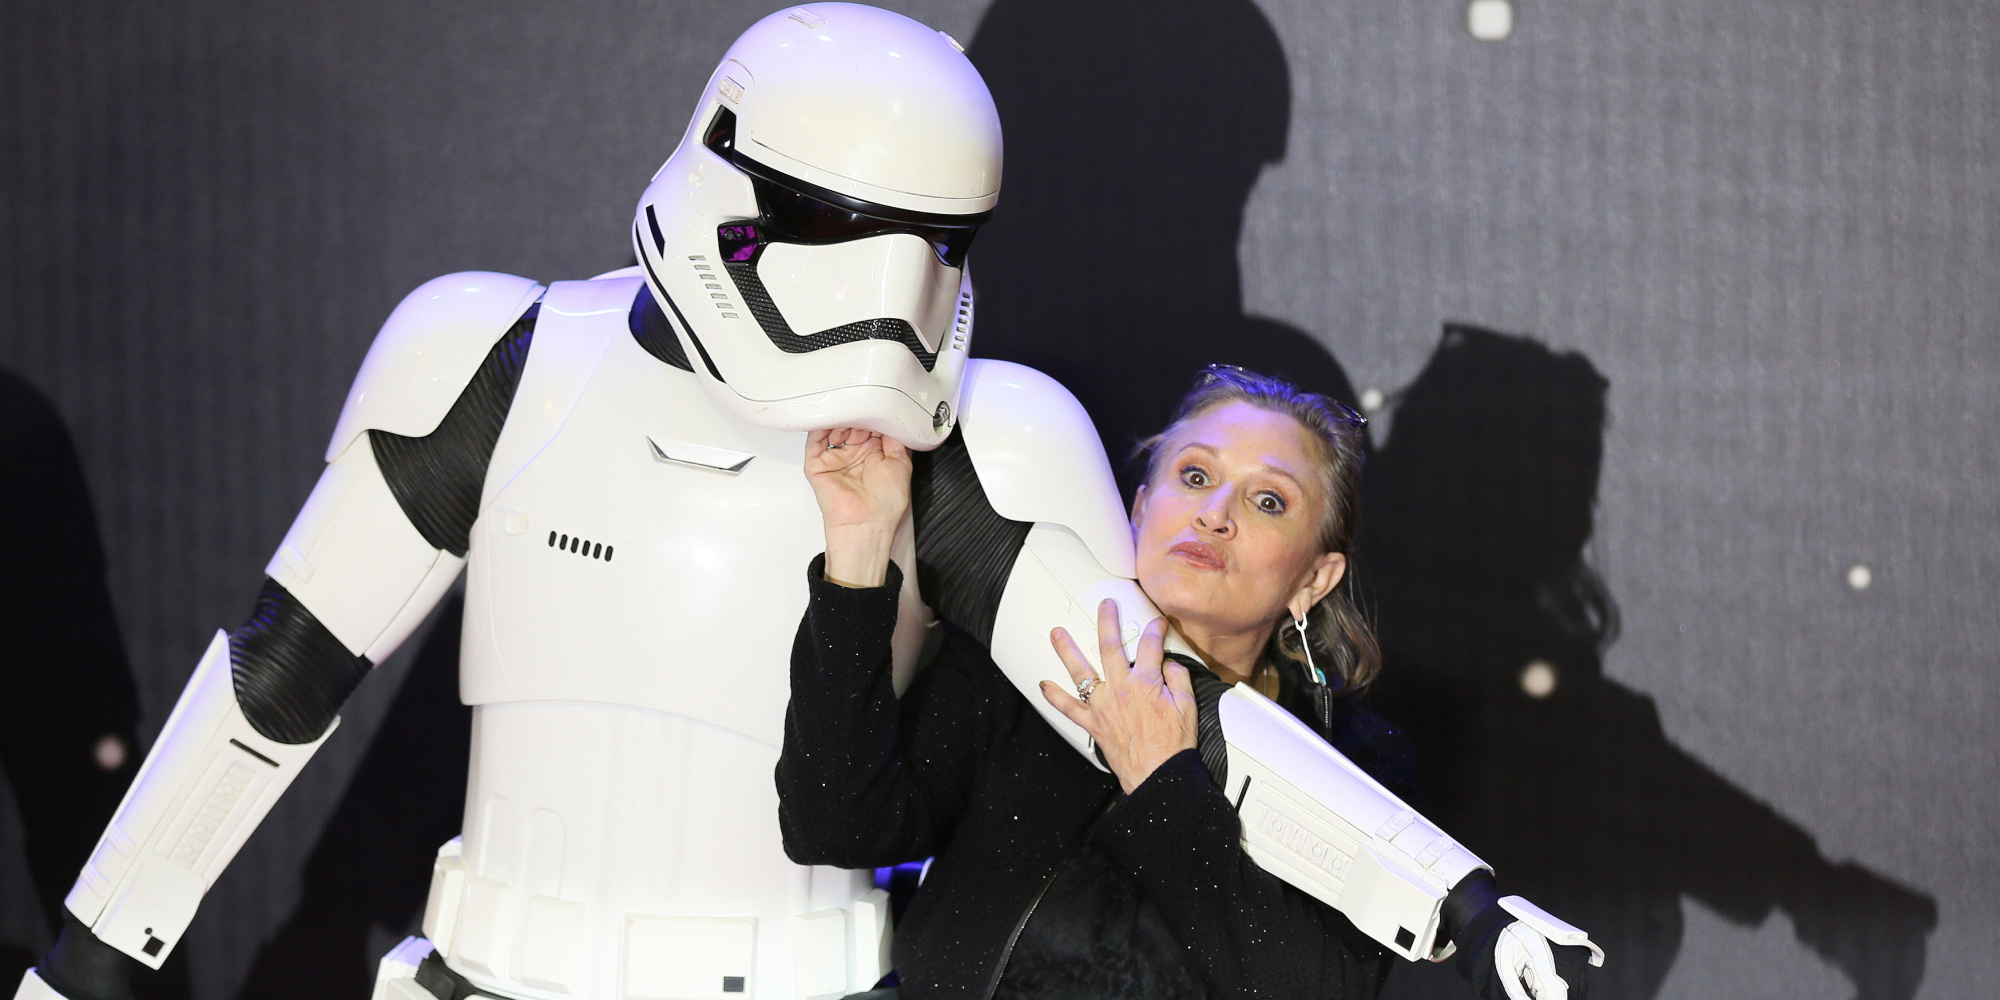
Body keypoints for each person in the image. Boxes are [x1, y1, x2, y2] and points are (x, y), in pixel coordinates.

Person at [781, 366, 1597, 999]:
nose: (1215, 514)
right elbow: (835, 828)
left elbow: (1309, 988)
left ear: (1313, 579)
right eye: (1197, 477)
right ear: (1140, 509)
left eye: (1268, 500)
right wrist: (860, 544)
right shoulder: (1024, 660)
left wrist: (1163, 778)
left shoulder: (1358, 761)